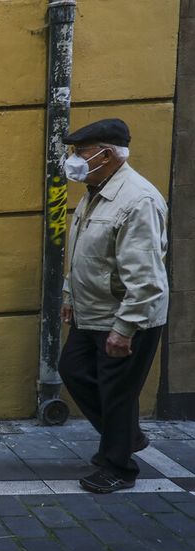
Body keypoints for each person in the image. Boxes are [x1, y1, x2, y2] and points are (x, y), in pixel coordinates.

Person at [58, 118, 168, 494]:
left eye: (82, 153)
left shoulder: (138, 200)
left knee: (117, 392)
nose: (75, 160)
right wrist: (71, 295)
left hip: (124, 316)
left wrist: (126, 328)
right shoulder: (97, 188)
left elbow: (147, 274)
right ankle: (127, 435)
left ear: (106, 155)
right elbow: (85, 254)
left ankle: (117, 466)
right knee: (72, 369)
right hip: (92, 311)